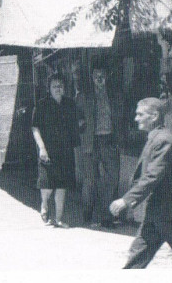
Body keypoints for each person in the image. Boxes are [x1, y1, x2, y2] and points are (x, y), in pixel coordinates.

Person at [109, 97, 172, 268]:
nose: (136, 118)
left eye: (140, 114)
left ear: (154, 116)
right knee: (136, 258)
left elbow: (152, 176)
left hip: (168, 212)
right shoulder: (156, 137)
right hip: (156, 212)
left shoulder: (164, 140)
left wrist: (126, 200)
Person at [76, 61, 126, 227]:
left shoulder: (114, 94)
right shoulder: (84, 95)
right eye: (96, 75)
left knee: (112, 178)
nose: (99, 78)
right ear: (91, 77)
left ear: (107, 76)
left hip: (109, 140)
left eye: (102, 75)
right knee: (90, 180)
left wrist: (119, 139)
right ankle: (88, 216)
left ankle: (107, 216)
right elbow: (75, 116)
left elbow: (121, 117)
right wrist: (81, 123)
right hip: (90, 142)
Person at [31, 73, 81, 228]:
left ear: (64, 88)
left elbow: (78, 121)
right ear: (49, 89)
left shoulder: (70, 104)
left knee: (62, 184)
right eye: (55, 86)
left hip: (65, 149)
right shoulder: (42, 105)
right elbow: (35, 127)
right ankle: (45, 204)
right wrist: (42, 148)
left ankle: (58, 218)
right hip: (47, 149)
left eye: (61, 86)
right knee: (47, 183)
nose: (58, 89)